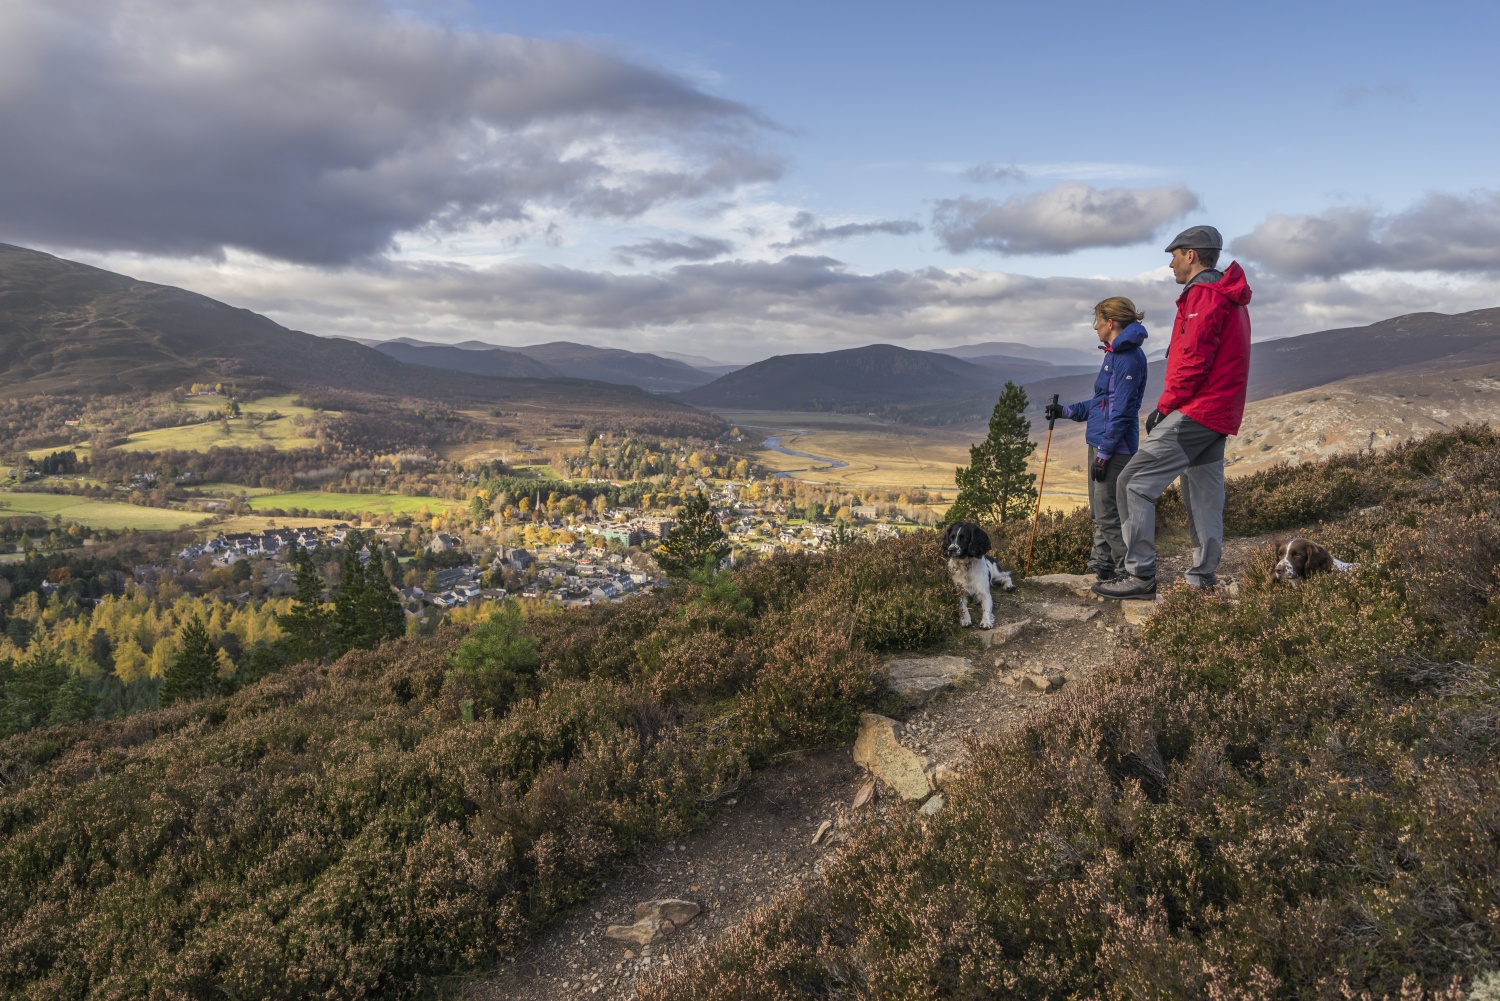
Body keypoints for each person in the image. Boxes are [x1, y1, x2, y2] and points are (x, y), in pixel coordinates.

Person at [1093, 225, 1253, 599]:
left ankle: (1140, 575)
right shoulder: (1229, 297)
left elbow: (1193, 361)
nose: (1171, 264)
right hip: (1221, 413)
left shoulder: (1204, 297)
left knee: (1132, 482)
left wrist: (1165, 407)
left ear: (1191, 255)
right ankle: (1202, 577)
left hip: (1199, 410)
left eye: (1174, 255)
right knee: (1203, 492)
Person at [1043, 297, 1148, 581]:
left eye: (1097, 321)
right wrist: (1066, 411)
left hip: (1114, 447)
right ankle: (1101, 564)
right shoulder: (1114, 354)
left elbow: (1123, 412)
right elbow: (1102, 403)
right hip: (1102, 443)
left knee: (1107, 513)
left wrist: (1104, 454)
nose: (1095, 328)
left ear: (1110, 323)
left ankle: (1127, 572)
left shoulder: (1127, 358)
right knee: (1099, 510)